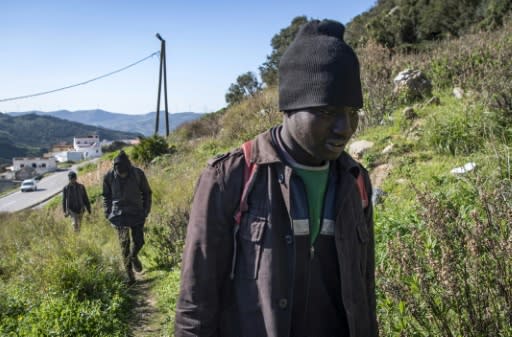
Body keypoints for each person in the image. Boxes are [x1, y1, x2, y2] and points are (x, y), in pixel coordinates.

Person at [175, 19, 377, 337]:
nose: (344, 127)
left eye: (353, 112)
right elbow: (195, 304)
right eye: (327, 112)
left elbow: (365, 292)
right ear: (290, 108)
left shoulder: (356, 181)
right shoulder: (230, 178)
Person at [102, 150, 152, 284]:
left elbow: (147, 193)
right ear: (115, 169)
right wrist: (107, 212)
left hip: (136, 213)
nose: (122, 175)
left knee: (139, 241)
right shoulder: (108, 177)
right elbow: (106, 196)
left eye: (124, 173)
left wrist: (146, 210)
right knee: (124, 246)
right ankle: (130, 276)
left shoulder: (138, 174)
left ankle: (134, 255)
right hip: (118, 216)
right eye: (120, 173)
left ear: (128, 167)